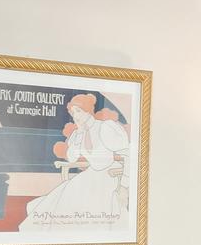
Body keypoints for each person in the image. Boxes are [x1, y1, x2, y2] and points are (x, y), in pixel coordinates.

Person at [19, 93, 131, 230]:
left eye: (78, 111)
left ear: (87, 110)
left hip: (111, 174)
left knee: (77, 192)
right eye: (73, 113)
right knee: (68, 191)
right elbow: (72, 158)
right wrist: (78, 136)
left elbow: (127, 154)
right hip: (93, 174)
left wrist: (125, 186)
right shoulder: (78, 134)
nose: (75, 116)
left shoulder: (105, 127)